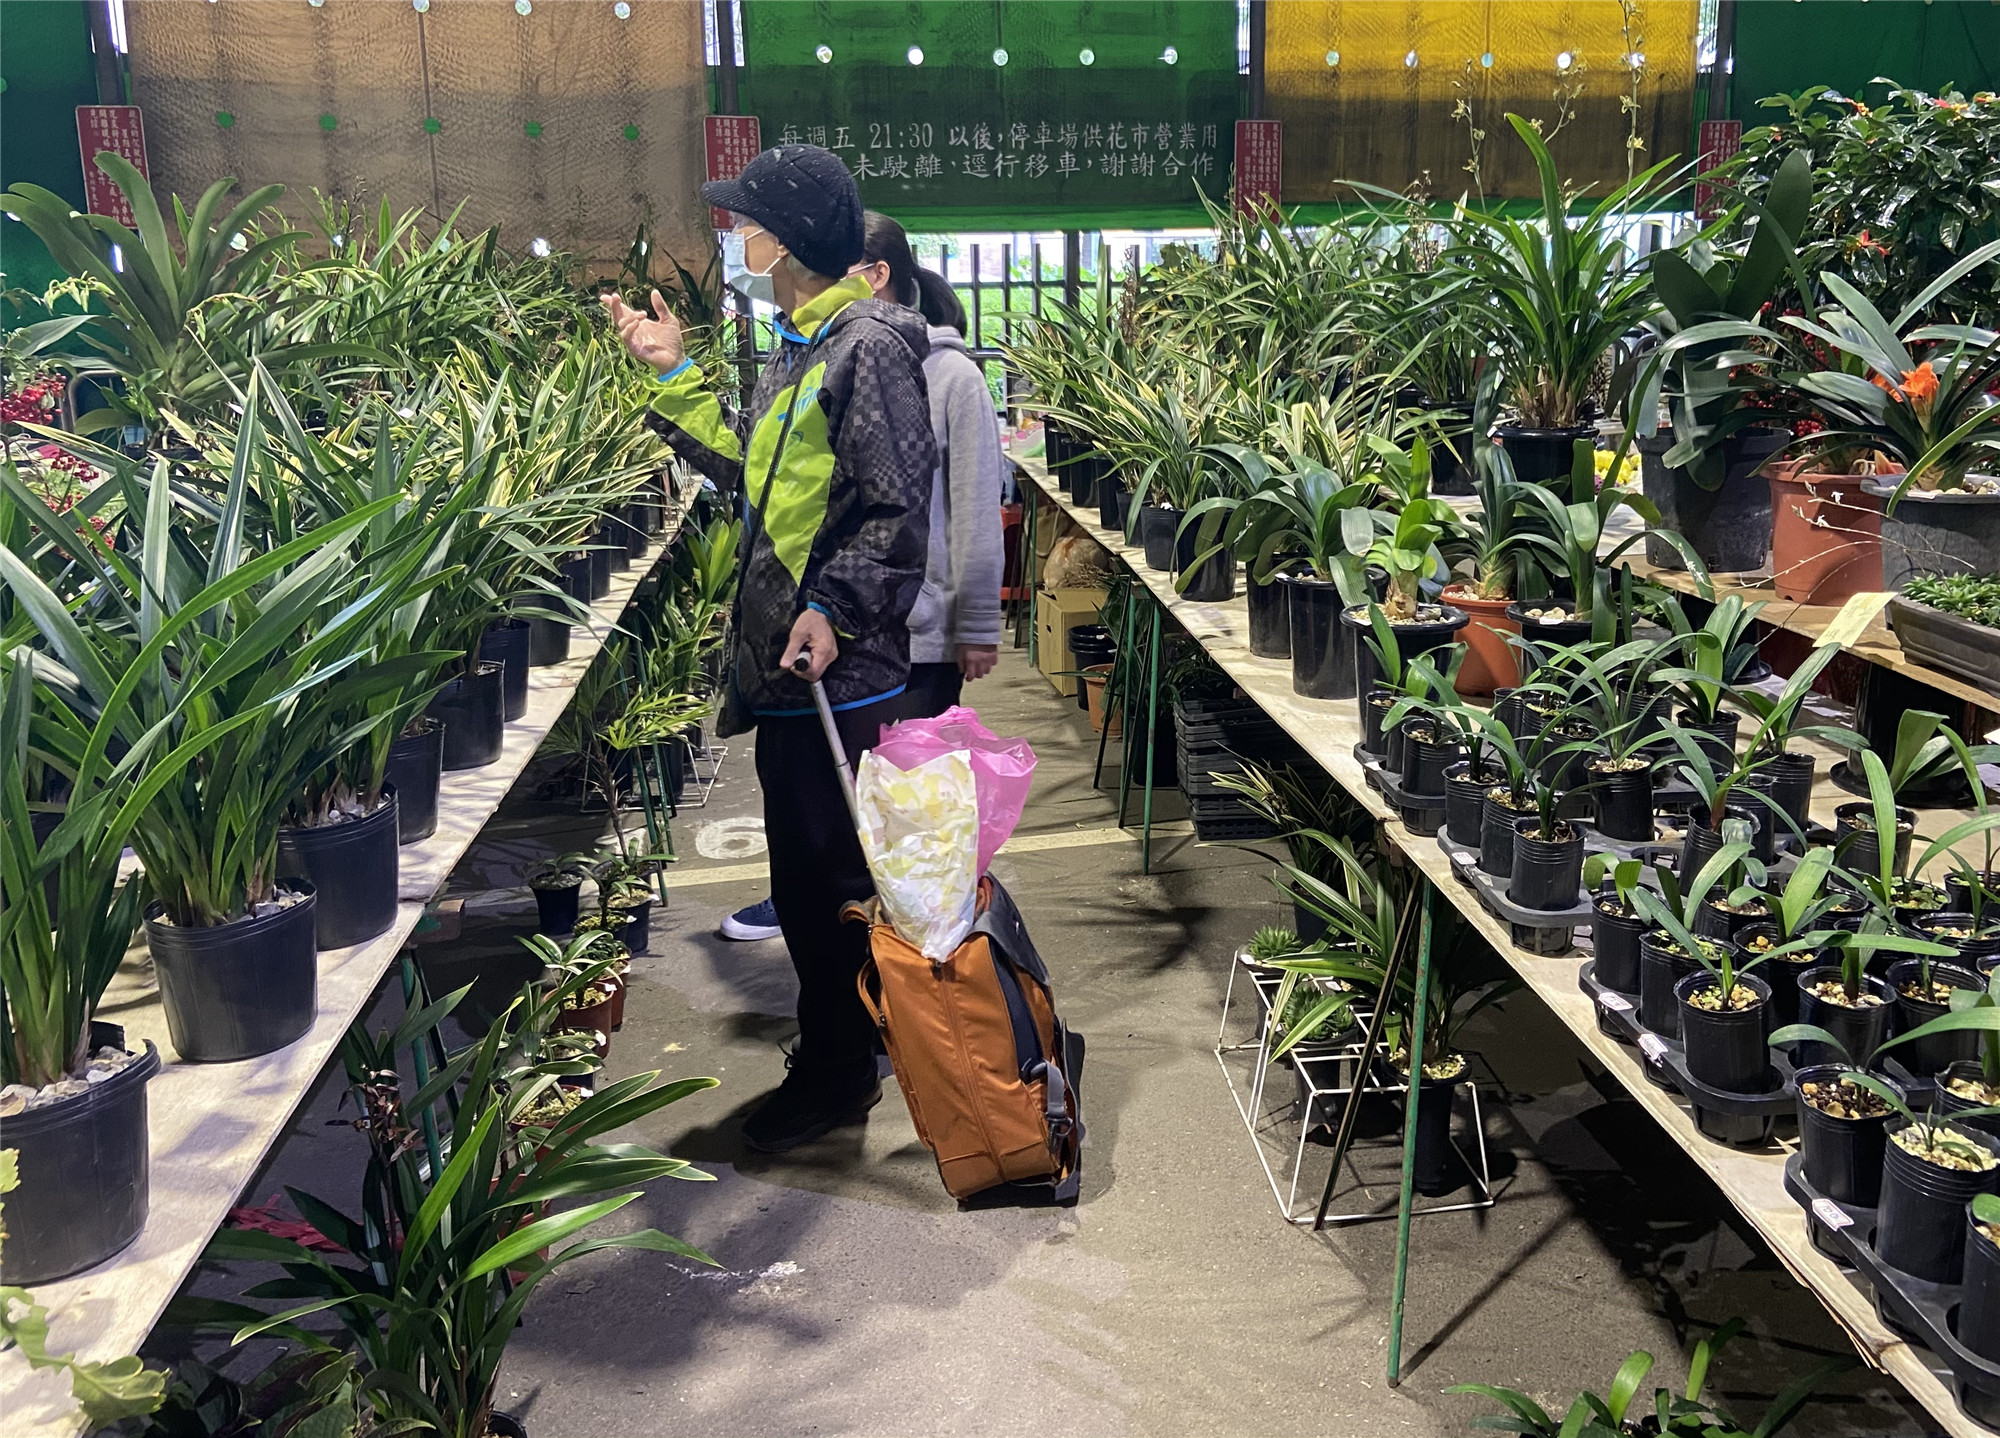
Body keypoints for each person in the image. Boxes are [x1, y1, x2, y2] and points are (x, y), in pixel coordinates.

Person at [603, 144, 936, 1152]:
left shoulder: (867, 348)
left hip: (837, 673)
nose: (735, 235)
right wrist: (673, 374)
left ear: (784, 242)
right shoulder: (805, 347)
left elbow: (896, 508)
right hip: (793, 672)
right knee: (810, 882)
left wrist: (833, 608)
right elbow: (755, 475)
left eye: (746, 222)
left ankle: (838, 1074)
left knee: (825, 886)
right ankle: (850, 1045)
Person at [721, 214, 1005, 943]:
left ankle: (910, 963)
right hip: (850, 634)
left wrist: (976, 624)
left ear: (876, 276)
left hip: (920, 635)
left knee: (895, 817)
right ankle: (833, 925)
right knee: (840, 809)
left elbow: (974, 505)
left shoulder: (950, 376)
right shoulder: (819, 358)